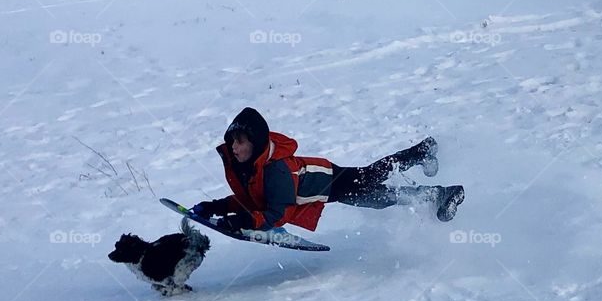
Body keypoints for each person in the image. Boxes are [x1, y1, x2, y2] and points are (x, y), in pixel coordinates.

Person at [192, 107, 464, 234]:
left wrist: (243, 221)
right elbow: (252, 200)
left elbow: (279, 212)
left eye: (240, 142)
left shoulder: (276, 170)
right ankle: (435, 194)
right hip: (329, 190)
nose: (234, 148)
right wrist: (217, 207)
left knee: (373, 177)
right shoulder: (252, 168)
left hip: (332, 181)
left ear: (255, 142)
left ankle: (422, 152)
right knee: (378, 198)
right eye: (232, 142)